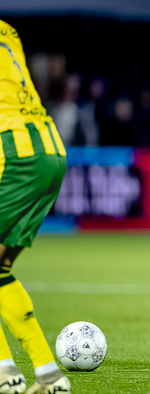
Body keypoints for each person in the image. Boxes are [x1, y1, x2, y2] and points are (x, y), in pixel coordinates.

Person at [0, 20, 71, 393]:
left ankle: (5, 373)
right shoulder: (8, 31)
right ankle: (48, 376)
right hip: (49, 148)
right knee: (0, 269)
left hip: (14, 154)